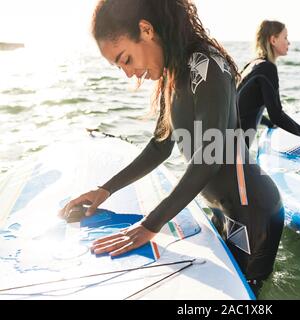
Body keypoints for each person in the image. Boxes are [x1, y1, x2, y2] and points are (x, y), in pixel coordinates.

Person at [59, 0, 284, 296]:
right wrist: (106, 189)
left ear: (146, 30)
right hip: (222, 208)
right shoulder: (173, 71)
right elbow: (160, 146)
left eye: (126, 59)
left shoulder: (207, 66)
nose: (128, 74)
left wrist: (149, 225)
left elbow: (208, 159)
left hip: (252, 214)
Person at [237, 20, 300, 147]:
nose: (289, 42)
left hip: (225, 144)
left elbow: (245, 109)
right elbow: (277, 115)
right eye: (285, 37)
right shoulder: (267, 68)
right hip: (235, 153)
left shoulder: (252, 65)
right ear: (273, 40)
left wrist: (270, 124)